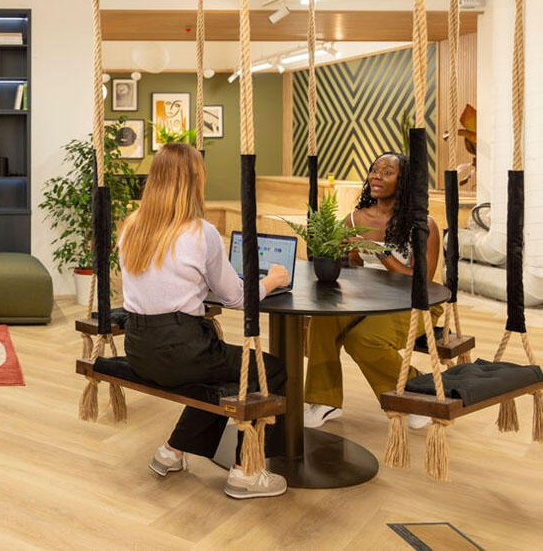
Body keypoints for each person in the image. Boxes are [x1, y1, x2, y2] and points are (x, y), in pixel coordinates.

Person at [118, 142, 292, 500]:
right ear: (195, 180)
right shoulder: (201, 233)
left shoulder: (132, 226)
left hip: (138, 348)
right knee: (269, 370)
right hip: (183, 352)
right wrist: (273, 280)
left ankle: (173, 450)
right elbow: (237, 298)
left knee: (221, 374)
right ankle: (246, 472)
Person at [303, 152, 440, 431]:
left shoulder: (422, 224)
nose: (377, 176)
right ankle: (324, 401)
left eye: (387, 172)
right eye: (375, 170)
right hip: (368, 298)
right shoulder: (355, 219)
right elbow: (352, 267)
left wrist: (379, 252)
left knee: (363, 339)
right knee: (322, 322)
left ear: (403, 181)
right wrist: (344, 255)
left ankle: (417, 391)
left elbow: (422, 281)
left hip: (413, 303)